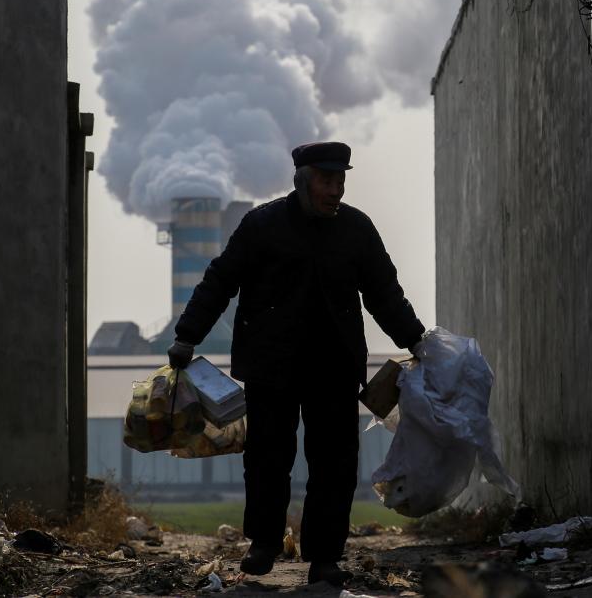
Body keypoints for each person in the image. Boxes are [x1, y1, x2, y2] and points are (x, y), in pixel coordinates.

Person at [167, 141, 425, 587]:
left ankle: (325, 557)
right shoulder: (262, 226)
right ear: (303, 181)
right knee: (268, 458)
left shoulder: (357, 230)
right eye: (327, 180)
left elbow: (384, 293)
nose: (336, 190)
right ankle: (264, 544)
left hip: (335, 368)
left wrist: (418, 341)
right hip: (272, 367)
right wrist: (187, 335)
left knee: (335, 463)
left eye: (341, 180)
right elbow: (220, 280)